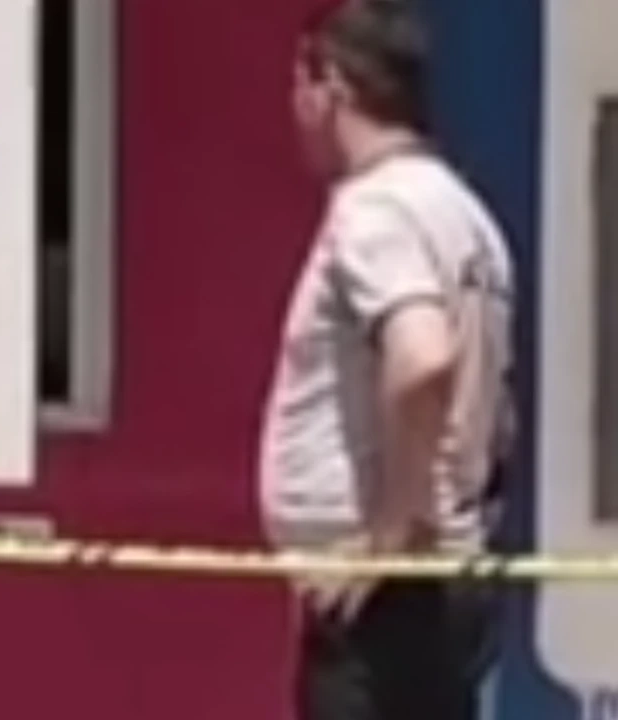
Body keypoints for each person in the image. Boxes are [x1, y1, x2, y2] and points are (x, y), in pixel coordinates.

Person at [257, 1, 516, 718]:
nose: (293, 113)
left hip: (388, 604)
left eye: (297, 87)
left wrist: (389, 537)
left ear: (332, 88)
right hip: (439, 587)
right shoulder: (468, 217)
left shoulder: (377, 211)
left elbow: (423, 361)